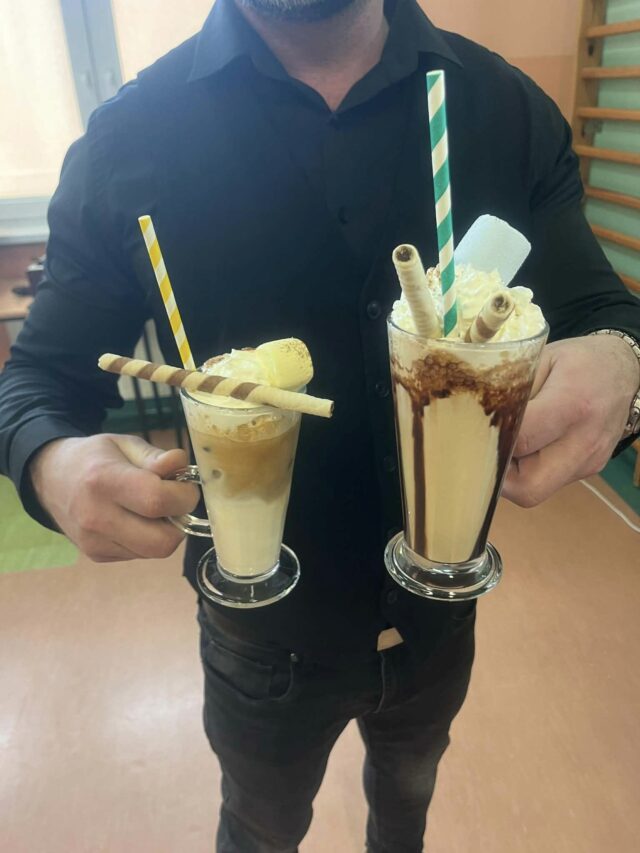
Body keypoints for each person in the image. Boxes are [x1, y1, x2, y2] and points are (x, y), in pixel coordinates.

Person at [1, 0, 639, 849]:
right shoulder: (130, 139)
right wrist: (49, 463)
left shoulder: (503, 108)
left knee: (406, 808)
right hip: (259, 637)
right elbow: (33, 383)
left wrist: (624, 364)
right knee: (259, 827)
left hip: (441, 615)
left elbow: (606, 313)